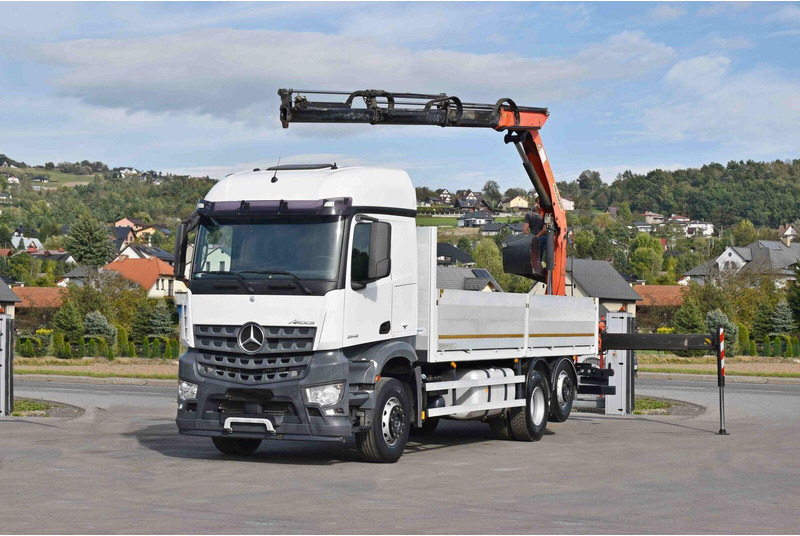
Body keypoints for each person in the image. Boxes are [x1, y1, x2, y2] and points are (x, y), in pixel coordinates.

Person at [523, 197, 548, 269]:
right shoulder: (529, 214)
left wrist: (536, 238)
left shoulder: (546, 215)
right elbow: (525, 229)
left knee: (542, 240)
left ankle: (539, 261)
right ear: (536, 203)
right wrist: (529, 237)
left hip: (542, 236)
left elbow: (544, 230)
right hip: (532, 236)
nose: (540, 204)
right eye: (539, 203)